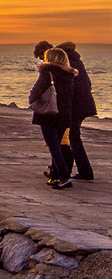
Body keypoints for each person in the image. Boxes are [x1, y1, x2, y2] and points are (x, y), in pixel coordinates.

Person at [42, 40, 96, 182]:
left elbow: (70, 89)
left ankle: (78, 172)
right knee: (71, 138)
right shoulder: (77, 61)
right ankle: (68, 170)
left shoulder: (68, 64)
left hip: (75, 107)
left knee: (71, 138)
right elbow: (87, 84)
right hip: (83, 104)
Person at [30, 47, 79, 189]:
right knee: (57, 145)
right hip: (64, 115)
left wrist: (33, 100)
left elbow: (36, 92)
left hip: (49, 114)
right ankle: (56, 177)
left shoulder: (47, 73)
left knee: (54, 147)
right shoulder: (70, 75)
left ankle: (64, 177)